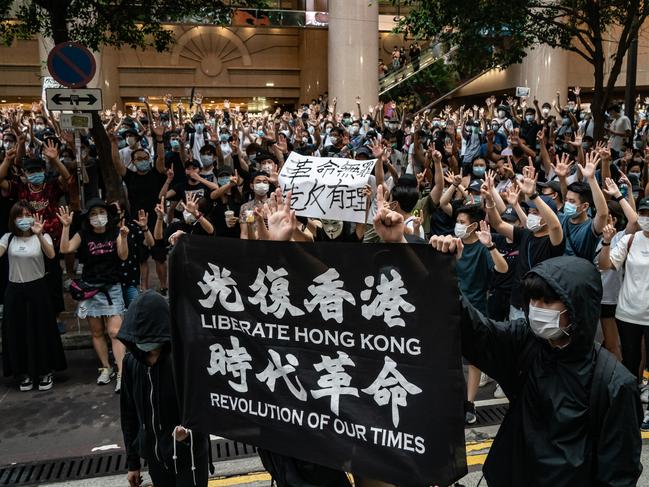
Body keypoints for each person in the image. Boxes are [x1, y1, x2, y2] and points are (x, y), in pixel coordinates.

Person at [118, 290, 209, 487]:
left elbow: (206, 405)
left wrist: (189, 433)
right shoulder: (132, 363)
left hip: (189, 457)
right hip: (156, 459)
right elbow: (129, 414)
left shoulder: (185, 360)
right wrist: (133, 463)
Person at [58, 198, 129, 392]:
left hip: (111, 286)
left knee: (114, 332)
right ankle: (106, 368)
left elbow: (123, 255)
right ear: (88, 218)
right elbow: (65, 249)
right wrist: (65, 227)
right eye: (94, 214)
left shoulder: (115, 232)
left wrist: (123, 238)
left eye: (101, 212)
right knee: (97, 331)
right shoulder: (83, 234)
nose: (99, 217)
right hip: (90, 288)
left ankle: (122, 372)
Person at [0, 200, 66, 391]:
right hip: (14, 290)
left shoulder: (41, 235)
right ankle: (23, 373)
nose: (24, 219)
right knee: (17, 331)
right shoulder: (8, 238)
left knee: (41, 330)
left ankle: (45, 371)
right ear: (13, 219)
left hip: (38, 289)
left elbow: (52, 255)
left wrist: (38, 234)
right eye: (19, 216)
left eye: (27, 215)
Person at [599, 197, 649, 425]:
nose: (646, 218)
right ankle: (631, 407)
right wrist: (607, 243)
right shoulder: (629, 240)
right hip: (628, 313)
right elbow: (605, 265)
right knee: (630, 362)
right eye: (643, 213)